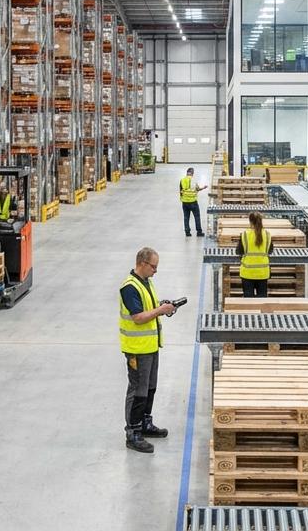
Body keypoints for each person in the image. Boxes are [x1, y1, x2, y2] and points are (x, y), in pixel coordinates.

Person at [119, 247, 177, 453]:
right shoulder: (129, 287)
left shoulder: (146, 282)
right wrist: (160, 310)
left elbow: (147, 309)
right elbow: (138, 317)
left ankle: (145, 423)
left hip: (151, 346)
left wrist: (163, 306)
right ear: (142, 263)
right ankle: (132, 433)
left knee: (150, 388)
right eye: (153, 266)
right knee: (138, 391)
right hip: (137, 349)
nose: (155, 271)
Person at [236, 211, 274, 298]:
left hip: (247, 273)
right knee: (262, 301)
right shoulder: (267, 234)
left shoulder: (245, 234)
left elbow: (239, 251)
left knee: (248, 302)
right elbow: (270, 251)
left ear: (250, 222)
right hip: (263, 273)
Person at [179, 167, 206, 238]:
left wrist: (183, 198)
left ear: (187, 173)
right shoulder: (193, 180)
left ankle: (187, 232)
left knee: (186, 217)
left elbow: (181, 191)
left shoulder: (182, 180)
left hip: (184, 202)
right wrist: (203, 188)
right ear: (192, 173)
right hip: (193, 202)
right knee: (197, 217)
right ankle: (199, 232)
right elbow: (197, 189)